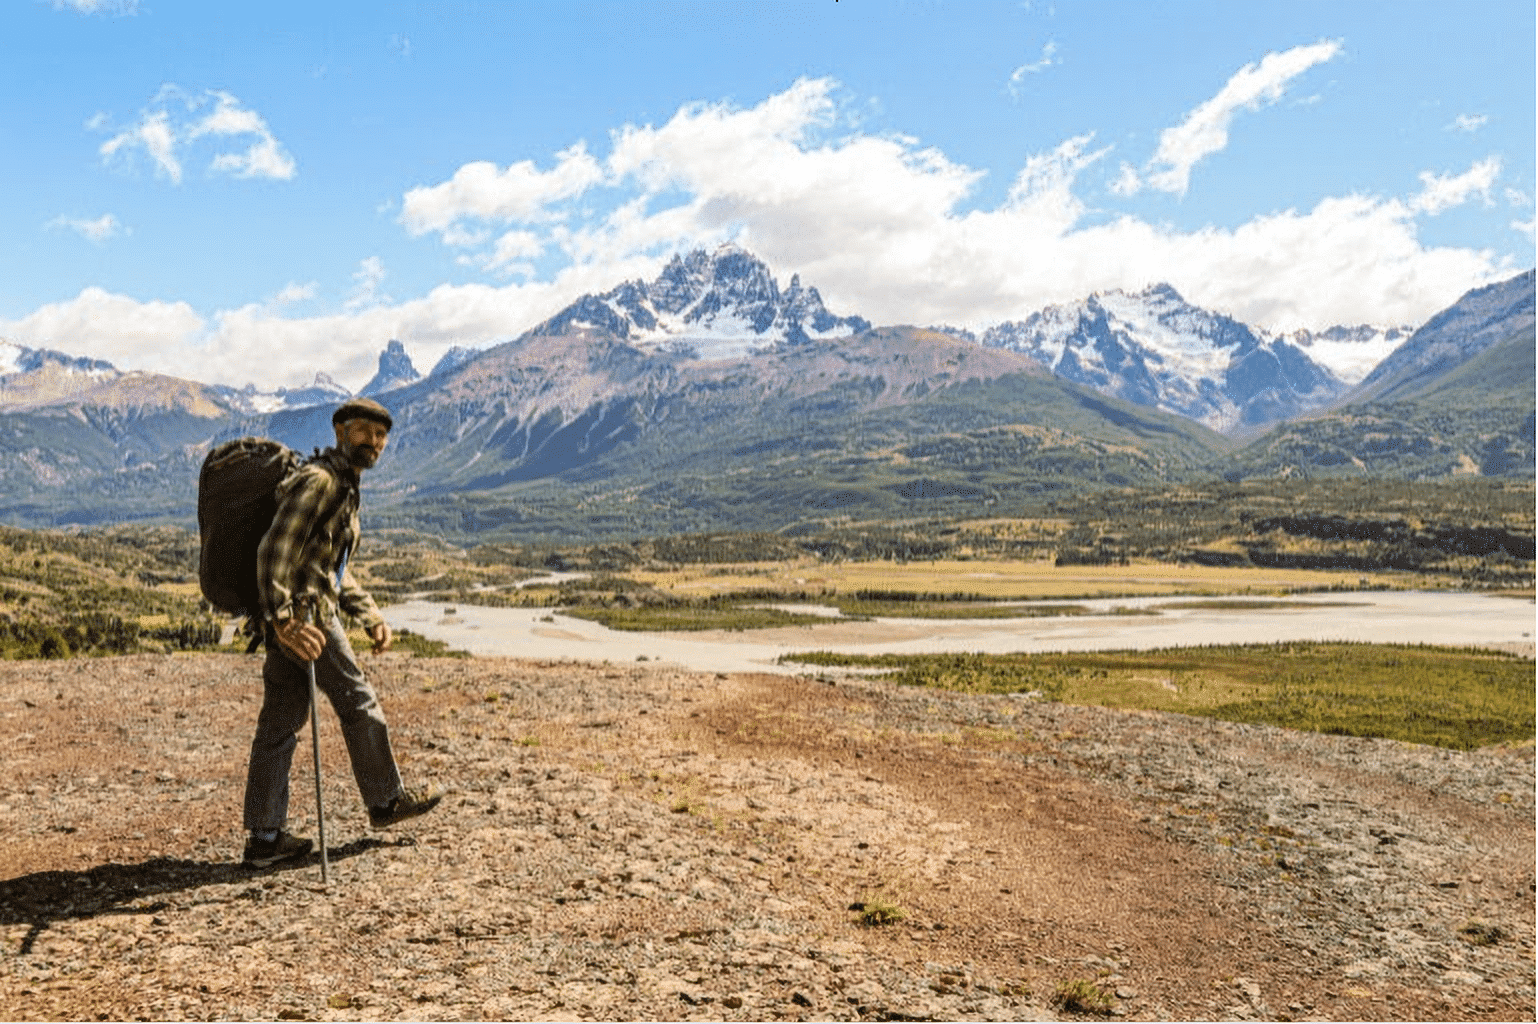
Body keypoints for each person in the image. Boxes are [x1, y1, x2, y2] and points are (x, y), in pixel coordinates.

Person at [242, 396, 442, 868]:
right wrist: (285, 621)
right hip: (307, 616)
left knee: (279, 725)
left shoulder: (344, 485)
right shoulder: (321, 481)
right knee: (357, 699)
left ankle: (265, 838)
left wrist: (368, 613)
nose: (373, 442)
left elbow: (331, 565)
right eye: (364, 432)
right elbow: (275, 549)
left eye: (380, 436)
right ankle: (386, 800)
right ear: (339, 431)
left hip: (303, 613)